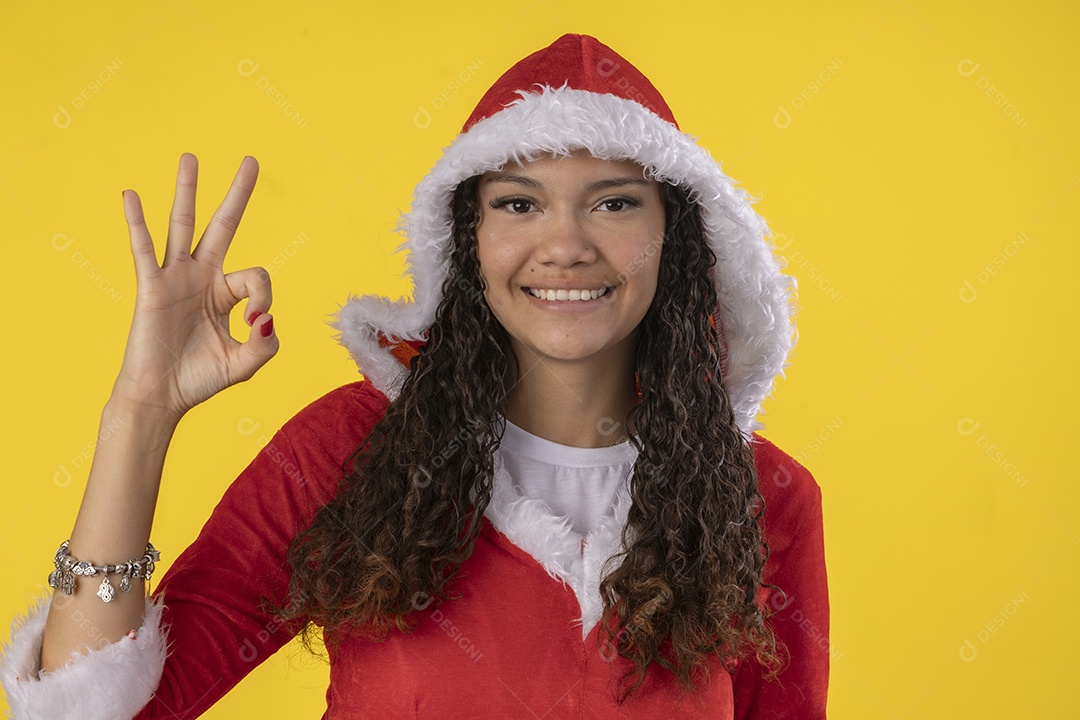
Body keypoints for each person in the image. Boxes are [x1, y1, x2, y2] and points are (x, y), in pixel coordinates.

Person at [0, 34, 829, 718]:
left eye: (615, 202)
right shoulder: (352, 450)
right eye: (517, 202)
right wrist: (141, 411)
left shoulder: (764, 496)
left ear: (676, 238)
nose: (566, 244)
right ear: (463, 239)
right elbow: (92, 710)